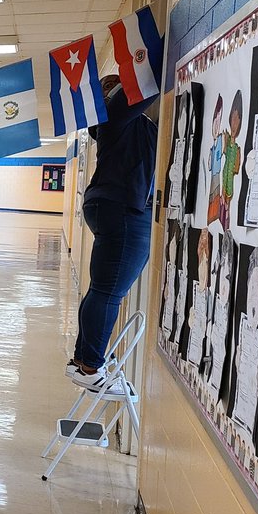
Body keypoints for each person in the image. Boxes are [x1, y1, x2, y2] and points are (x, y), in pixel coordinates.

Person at [67, 75, 158, 387]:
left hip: (112, 204)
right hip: (122, 208)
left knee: (101, 289)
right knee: (108, 292)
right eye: (115, 84)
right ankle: (90, 369)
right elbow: (146, 83)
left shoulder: (126, 123)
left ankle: (83, 360)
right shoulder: (112, 111)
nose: (123, 85)